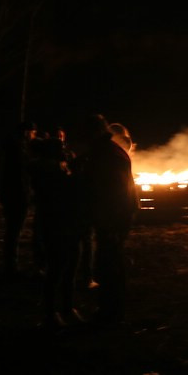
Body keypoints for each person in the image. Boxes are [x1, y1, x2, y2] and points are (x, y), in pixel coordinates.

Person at [77, 114, 139, 326]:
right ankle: (110, 309)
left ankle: (111, 312)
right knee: (109, 262)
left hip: (113, 217)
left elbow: (116, 191)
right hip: (112, 215)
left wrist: (113, 222)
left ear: (94, 132)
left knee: (110, 263)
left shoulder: (108, 154)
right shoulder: (106, 151)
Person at [31, 124, 84, 328]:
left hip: (68, 223)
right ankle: (51, 313)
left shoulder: (60, 170)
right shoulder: (48, 172)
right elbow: (63, 193)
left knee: (69, 268)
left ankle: (67, 308)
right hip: (56, 224)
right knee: (58, 269)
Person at [1, 121, 38, 275]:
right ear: (26, 132)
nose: (34, 135)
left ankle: (10, 263)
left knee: (12, 229)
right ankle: (11, 265)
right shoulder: (20, 149)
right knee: (14, 230)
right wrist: (28, 193)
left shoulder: (14, 147)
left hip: (11, 193)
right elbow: (22, 175)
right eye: (33, 132)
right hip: (18, 194)